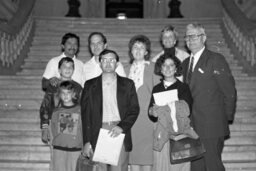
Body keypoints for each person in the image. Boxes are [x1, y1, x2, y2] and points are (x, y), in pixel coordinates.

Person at [181, 23, 237, 171]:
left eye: (194, 36)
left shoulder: (215, 59)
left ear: (203, 38)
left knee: (213, 165)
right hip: (192, 126)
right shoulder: (185, 63)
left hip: (212, 124)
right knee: (196, 166)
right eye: (187, 37)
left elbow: (229, 90)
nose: (190, 39)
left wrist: (226, 117)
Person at [81, 49, 140, 171]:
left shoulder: (128, 84)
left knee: (119, 168)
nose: (108, 63)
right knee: (99, 169)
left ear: (117, 63)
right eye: (104, 60)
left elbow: (134, 109)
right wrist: (86, 141)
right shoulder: (89, 85)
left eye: (112, 60)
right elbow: (85, 115)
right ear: (100, 63)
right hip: (97, 131)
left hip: (118, 130)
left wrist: (122, 126)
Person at [149, 54, 193, 171]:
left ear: (176, 69)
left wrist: (163, 109)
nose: (168, 68)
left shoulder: (183, 87)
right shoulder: (156, 88)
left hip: (179, 134)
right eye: (164, 65)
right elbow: (151, 112)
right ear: (161, 69)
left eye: (171, 65)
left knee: (179, 166)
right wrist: (152, 112)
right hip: (161, 132)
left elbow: (186, 110)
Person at [125, 35, 160, 171]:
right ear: (131, 51)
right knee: (133, 158)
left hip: (148, 119)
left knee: (147, 159)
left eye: (141, 47)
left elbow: (158, 94)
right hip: (130, 120)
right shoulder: (123, 69)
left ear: (146, 52)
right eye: (135, 47)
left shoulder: (154, 68)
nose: (138, 50)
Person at [40, 57, 82, 142]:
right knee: (56, 152)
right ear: (59, 70)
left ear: (73, 70)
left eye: (70, 67)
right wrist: (45, 126)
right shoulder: (53, 86)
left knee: (72, 151)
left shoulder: (78, 87)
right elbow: (45, 106)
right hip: (55, 121)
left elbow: (82, 107)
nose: (67, 69)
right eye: (64, 67)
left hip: (73, 122)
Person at [50, 81, 83, 171]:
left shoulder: (80, 110)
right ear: (59, 95)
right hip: (59, 150)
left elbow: (83, 130)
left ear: (73, 94)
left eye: (68, 93)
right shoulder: (56, 112)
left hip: (75, 150)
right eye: (63, 93)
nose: (65, 95)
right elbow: (53, 130)